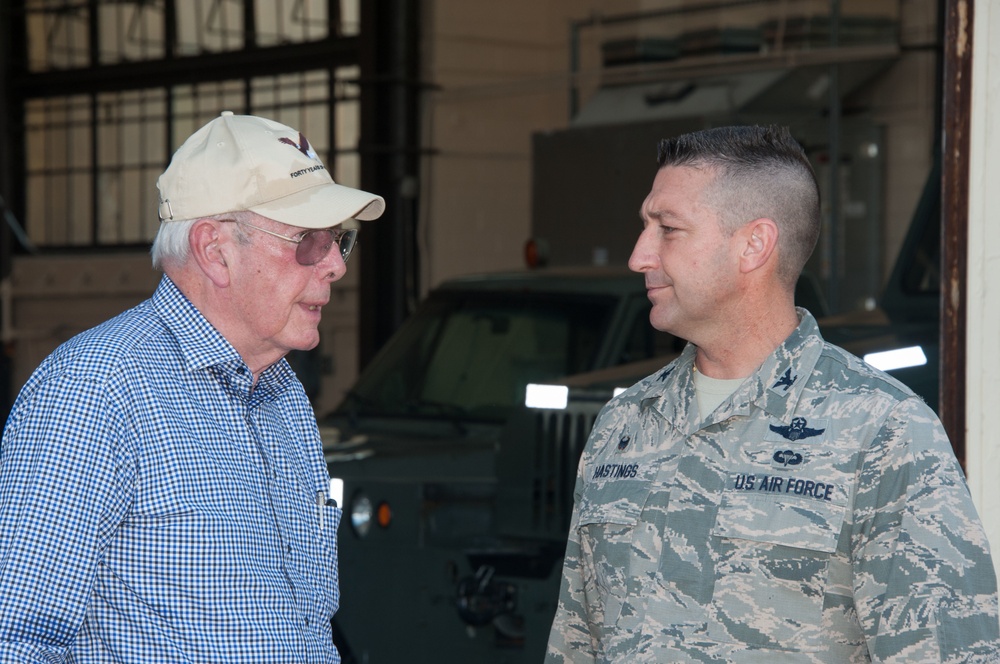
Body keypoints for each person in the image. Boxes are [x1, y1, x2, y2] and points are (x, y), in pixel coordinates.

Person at [546, 125, 1000, 662]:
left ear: (754, 245)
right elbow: (576, 643)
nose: (639, 256)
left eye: (667, 229)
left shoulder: (882, 430)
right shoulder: (622, 426)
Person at [0, 112, 384, 662]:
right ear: (214, 249)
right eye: (307, 240)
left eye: (339, 241)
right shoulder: (94, 391)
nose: (334, 267)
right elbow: (15, 637)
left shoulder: (281, 395)